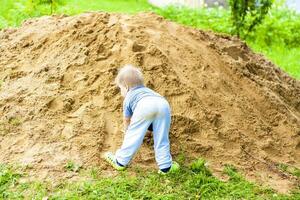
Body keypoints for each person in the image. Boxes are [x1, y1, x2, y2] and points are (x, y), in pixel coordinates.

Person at [103, 64, 179, 174]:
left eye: (121, 89)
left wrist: (127, 131)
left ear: (126, 87)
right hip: (162, 103)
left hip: (145, 106)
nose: (121, 92)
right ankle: (165, 166)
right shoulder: (148, 90)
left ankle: (120, 161)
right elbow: (151, 118)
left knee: (133, 135)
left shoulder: (129, 97)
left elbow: (127, 120)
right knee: (162, 136)